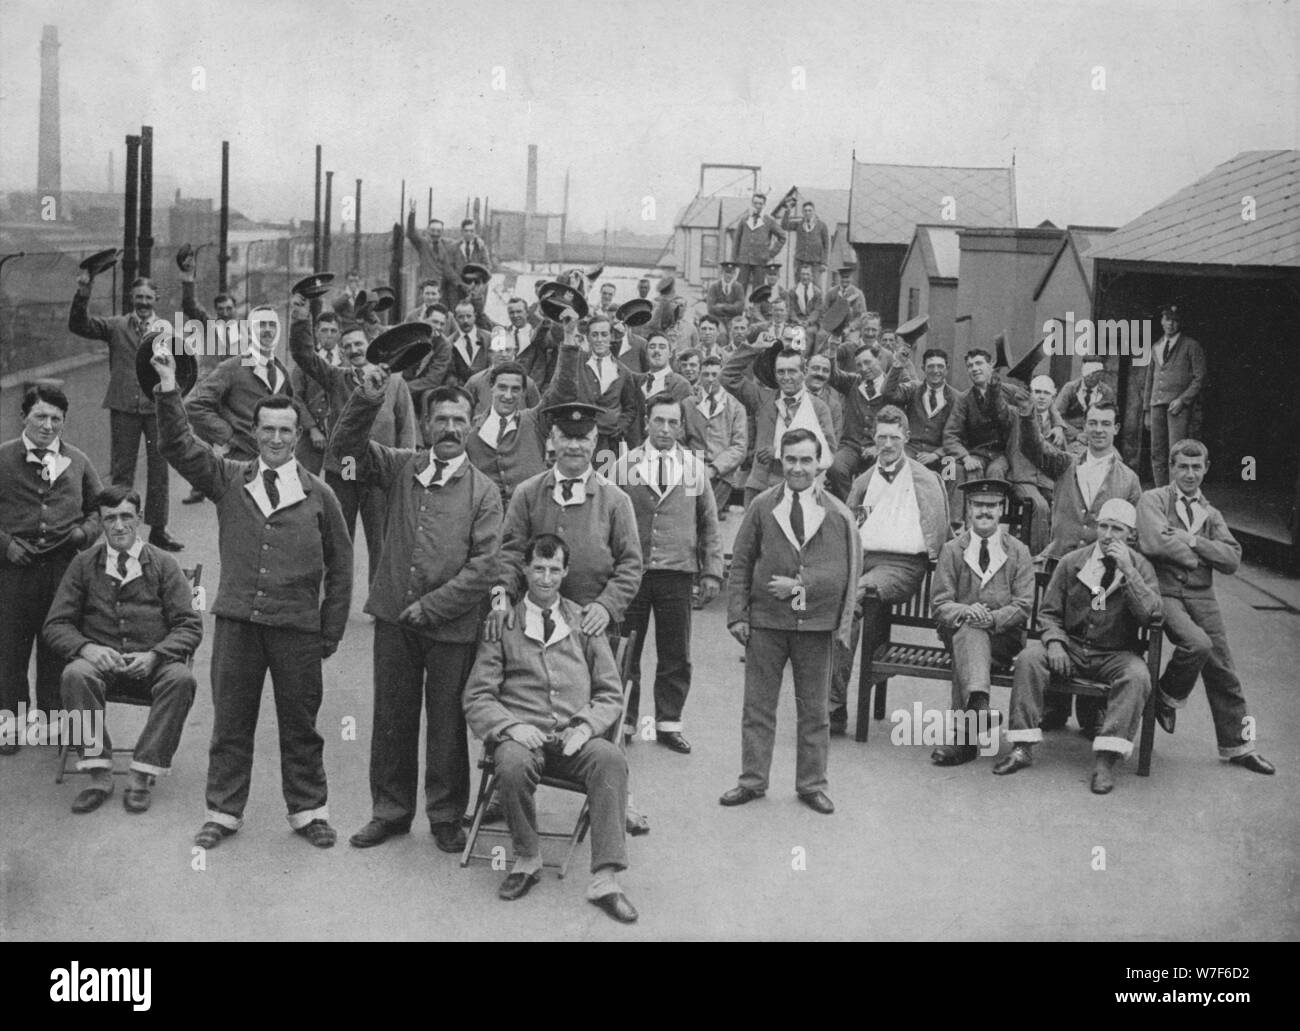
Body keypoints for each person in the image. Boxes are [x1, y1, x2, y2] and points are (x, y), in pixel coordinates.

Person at [151, 348, 352, 850]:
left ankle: (309, 811)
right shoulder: (228, 478)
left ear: (297, 434)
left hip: (298, 631)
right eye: (269, 430)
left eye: (287, 430)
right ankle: (222, 811)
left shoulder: (319, 495)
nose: (278, 439)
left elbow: (343, 568)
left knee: (301, 726)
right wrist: (167, 390)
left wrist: (329, 632)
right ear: (255, 431)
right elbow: (177, 444)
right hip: (238, 625)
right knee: (231, 724)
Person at [331, 376, 503, 852]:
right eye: (441, 419)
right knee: (392, 717)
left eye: (459, 421)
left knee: (447, 722)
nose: (450, 429)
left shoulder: (485, 492)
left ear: (471, 427)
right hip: (393, 619)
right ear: (426, 425)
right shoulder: (398, 466)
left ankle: (446, 815)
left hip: (451, 626)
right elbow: (345, 448)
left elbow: (485, 565)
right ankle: (390, 811)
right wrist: (366, 396)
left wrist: (432, 606)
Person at [463, 533, 638, 923]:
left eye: (554, 569)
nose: (545, 578)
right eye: (538, 569)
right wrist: (510, 727)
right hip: (522, 738)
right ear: (524, 570)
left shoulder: (584, 621)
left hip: (574, 740)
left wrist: (586, 727)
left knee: (610, 759)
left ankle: (606, 880)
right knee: (510, 763)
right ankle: (527, 857)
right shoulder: (502, 624)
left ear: (565, 572)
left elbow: (611, 694)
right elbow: (477, 697)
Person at [722, 428, 861, 814]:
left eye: (806, 460)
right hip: (766, 623)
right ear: (781, 461)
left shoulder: (837, 514)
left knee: (815, 710)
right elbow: (742, 562)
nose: (798, 468)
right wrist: (738, 615)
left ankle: (812, 784)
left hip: (815, 627)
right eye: (791, 459)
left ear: (820, 464)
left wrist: (797, 588)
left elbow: (837, 576)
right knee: (758, 707)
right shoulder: (763, 506)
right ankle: (752, 780)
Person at [42, 485, 200, 811]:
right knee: (75, 673)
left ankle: (141, 773)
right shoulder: (84, 564)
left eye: (126, 516)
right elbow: (55, 625)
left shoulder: (164, 564)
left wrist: (156, 655)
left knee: (181, 679)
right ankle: (99, 773)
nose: (118, 526)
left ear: (139, 519)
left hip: (152, 664)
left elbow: (189, 624)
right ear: (100, 523)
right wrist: (87, 649)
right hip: (102, 665)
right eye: (109, 518)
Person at [995, 499, 1162, 794]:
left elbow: (1152, 615)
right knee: (1030, 658)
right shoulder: (1072, 562)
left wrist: (1128, 572)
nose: (1108, 535)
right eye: (1104, 526)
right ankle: (1022, 746)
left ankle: (1105, 761)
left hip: (1115, 653)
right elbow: (1048, 613)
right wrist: (1056, 643)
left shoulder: (1141, 567)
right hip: (1071, 646)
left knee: (1137, 676)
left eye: (1118, 529)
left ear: (1131, 535)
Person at [1135, 440, 1275, 775]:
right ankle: (1167, 696)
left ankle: (1240, 746)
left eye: (1197, 467)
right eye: (1183, 466)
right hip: (1165, 592)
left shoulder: (1212, 514)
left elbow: (1232, 558)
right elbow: (1153, 540)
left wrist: (1192, 540)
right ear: (1171, 468)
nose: (1190, 474)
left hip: (1202, 596)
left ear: (1206, 469)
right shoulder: (1153, 500)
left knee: (1223, 668)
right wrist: (1200, 556)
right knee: (1197, 643)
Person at [610, 394, 723, 753]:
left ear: (681, 426)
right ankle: (625, 721)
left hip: (677, 571)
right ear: (646, 421)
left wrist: (711, 572)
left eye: (673, 422)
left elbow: (708, 522)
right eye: (659, 421)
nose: (665, 429)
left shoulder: (693, 467)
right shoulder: (623, 466)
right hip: (632, 572)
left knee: (675, 650)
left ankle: (668, 722)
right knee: (627, 648)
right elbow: (608, 520)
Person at [487, 397, 642, 645]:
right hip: (532, 625)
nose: (573, 446)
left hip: (590, 624)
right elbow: (507, 555)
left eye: (582, 439)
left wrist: (606, 606)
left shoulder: (616, 500)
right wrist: (499, 599)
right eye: (566, 437)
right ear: (552, 440)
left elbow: (631, 565)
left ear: (595, 443)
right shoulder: (527, 493)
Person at [0, 385, 102, 755]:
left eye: (55, 419)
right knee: (9, 651)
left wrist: (83, 533)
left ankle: (51, 723)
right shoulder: (3, 458)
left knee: (56, 647)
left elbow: (99, 509)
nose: (47, 426)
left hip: (63, 571)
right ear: (24, 416)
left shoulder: (77, 460)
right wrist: (6, 545)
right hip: (13, 572)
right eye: (40, 416)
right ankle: (9, 727)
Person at [834, 406, 950, 733]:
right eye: (881, 437)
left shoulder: (926, 480)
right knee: (829, 599)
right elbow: (850, 528)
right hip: (864, 561)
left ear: (906, 438)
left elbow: (940, 534)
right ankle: (833, 703)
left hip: (902, 565)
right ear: (873, 439)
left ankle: (831, 705)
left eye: (894, 437)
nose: (887, 444)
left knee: (853, 599)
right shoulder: (863, 481)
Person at [288, 305, 417, 580]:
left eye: (359, 343)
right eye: (348, 347)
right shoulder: (337, 378)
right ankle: (335, 599)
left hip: (380, 469)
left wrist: (407, 466)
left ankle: (378, 604)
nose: (355, 350)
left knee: (380, 538)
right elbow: (303, 355)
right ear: (342, 352)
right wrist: (301, 318)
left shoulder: (394, 381)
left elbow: (406, 425)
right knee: (339, 536)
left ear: (369, 345)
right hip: (344, 467)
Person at [68, 268, 181, 551]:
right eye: (138, 297)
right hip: (123, 407)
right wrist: (84, 291)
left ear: (156, 299)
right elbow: (79, 325)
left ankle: (158, 529)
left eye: (148, 297)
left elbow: (182, 368)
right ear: (132, 298)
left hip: (156, 408)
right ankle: (119, 527)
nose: (143, 302)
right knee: (122, 472)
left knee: (159, 470)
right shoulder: (116, 325)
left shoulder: (167, 330)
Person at [929, 479, 1034, 765]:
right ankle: (978, 708)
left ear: (1001, 510)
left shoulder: (1018, 551)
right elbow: (939, 604)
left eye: (991, 506)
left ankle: (965, 736)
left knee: (971, 634)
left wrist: (992, 618)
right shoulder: (952, 549)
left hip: (1004, 639)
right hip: (960, 633)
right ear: (968, 509)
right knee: (968, 632)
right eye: (978, 505)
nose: (984, 512)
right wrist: (966, 611)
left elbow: (1024, 605)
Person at [465, 341, 580, 505]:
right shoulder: (471, 431)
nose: (508, 395)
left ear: (523, 392)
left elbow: (563, 392)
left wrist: (569, 340)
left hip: (533, 511)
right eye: (502, 388)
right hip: (490, 517)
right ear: (492, 387)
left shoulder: (533, 421)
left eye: (515, 389)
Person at [723, 340, 836, 505]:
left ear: (803, 372)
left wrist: (779, 453)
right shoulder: (763, 398)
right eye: (781, 372)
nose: (786, 378)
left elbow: (828, 452)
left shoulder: (819, 407)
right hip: (759, 487)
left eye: (792, 371)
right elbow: (727, 377)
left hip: (798, 491)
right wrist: (755, 347)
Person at [186, 305, 296, 463]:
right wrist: (227, 435)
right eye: (260, 325)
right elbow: (193, 404)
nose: (267, 330)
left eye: (272, 325)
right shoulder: (232, 367)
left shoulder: (281, 372)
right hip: (242, 460)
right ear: (249, 331)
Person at [1004, 374, 1067, 556]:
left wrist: (1060, 426)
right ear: (1029, 393)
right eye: (1037, 392)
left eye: (1046, 393)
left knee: (1063, 504)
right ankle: (1037, 559)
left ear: (1053, 397)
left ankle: (1057, 554)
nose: (1040, 396)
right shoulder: (1017, 414)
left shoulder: (1057, 425)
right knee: (1040, 507)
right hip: (1023, 479)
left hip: (1046, 480)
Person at [1143, 304, 1205, 486]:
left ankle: (1176, 491)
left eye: (1175, 320)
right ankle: (1161, 491)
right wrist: (1147, 409)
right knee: (1157, 451)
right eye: (1167, 319)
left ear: (1180, 323)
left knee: (1176, 452)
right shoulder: (1156, 346)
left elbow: (1200, 378)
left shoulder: (1191, 346)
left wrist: (1183, 400)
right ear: (1162, 321)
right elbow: (1150, 379)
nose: (1171, 324)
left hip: (1178, 408)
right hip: (1157, 406)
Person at [684, 355, 748, 522]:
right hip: (692, 472)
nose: (711, 379)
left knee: (709, 519)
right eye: (706, 374)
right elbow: (679, 440)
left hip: (722, 475)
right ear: (700, 376)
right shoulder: (688, 404)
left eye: (715, 374)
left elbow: (739, 447)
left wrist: (714, 469)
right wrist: (694, 466)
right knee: (690, 519)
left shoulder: (736, 407)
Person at [824, 343, 891, 499]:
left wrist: (878, 447)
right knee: (835, 468)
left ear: (879, 359)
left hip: (880, 447)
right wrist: (832, 350)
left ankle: (871, 515)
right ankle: (850, 510)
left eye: (868, 362)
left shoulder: (892, 388)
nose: (863, 368)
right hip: (851, 446)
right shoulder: (853, 382)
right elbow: (833, 376)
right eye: (859, 364)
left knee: (881, 477)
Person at [942, 348, 1014, 492]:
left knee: (995, 473)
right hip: (977, 453)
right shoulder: (964, 399)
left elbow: (1035, 402)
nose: (974, 369)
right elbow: (950, 435)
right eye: (970, 366)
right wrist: (966, 457)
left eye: (979, 363)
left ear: (991, 365)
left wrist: (1057, 424)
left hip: (1003, 455)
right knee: (970, 471)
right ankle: (970, 513)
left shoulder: (1009, 391)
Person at [882, 346, 959, 476]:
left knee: (952, 467)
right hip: (911, 448)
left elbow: (958, 435)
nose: (935, 371)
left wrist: (936, 454)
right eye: (930, 366)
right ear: (923, 369)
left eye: (940, 366)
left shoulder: (956, 397)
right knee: (896, 462)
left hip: (940, 451)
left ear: (947, 369)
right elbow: (888, 393)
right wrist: (898, 364)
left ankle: (946, 497)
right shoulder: (914, 388)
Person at [574, 314, 643, 457]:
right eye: (595, 335)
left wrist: (619, 427)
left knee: (607, 478)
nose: (599, 340)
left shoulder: (623, 372)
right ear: (587, 337)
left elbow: (630, 408)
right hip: (580, 438)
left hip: (609, 443)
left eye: (604, 334)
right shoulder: (577, 365)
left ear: (611, 337)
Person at [464, 332, 542, 416]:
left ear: (515, 351)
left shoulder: (528, 383)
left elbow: (537, 414)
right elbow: (463, 411)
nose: (504, 355)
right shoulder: (475, 382)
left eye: (508, 350)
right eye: (499, 350)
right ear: (490, 352)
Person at [1054, 361, 1114, 457]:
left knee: (1116, 459)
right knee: (1079, 458)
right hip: (1070, 437)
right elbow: (1056, 416)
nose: (1090, 376)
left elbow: (1109, 418)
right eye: (1087, 371)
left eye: (1094, 373)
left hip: (1096, 436)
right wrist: (1076, 434)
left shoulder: (1106, 392)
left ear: (1101, 374)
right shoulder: (1070, 388)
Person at [730, 193, 787, 289]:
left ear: (764, 205)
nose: (757, 206)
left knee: (758, 290)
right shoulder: (744, 219)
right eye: (755, 203)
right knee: (740, 288)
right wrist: (735, 258)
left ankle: (756, 305)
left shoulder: (768, 221)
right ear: (752, 204)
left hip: (760, 261)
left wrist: (770, 254)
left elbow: (782, 236)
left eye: (760, 204)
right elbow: (737, 239)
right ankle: (740, 304)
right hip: (744, 260)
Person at [406, 202, 452, 299]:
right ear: (428, 230)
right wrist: (412, 213)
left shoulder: (447, 244)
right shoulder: (423, 244)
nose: (435, 233)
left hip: (441, 291)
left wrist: (477, 239)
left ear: (442, 232)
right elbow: (411, 234)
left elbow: (464, 242)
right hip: (425, 289)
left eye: (438, 231)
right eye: (433, 230)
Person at [446, 218, 492, 306]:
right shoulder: (453, 247)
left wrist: (476, 282)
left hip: (476, 289)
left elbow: (487, 266)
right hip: (457, 289)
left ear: (475, 232)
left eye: (472, 231)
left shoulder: (481, 247)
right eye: (466, 231)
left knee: (476, 314)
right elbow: (449, 270)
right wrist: (462, 284)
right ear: (462, 231)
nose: (469, 233)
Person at [636, 333, 693, 403]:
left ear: (670, 354)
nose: (656, 350)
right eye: (652, 347)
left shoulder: (680, 384)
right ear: (646, 354)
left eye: (662, 347)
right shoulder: (637, 381)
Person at [446, 300, 492, 387]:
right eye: (461, 317)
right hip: (461, 390)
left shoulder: (489, 338)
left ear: (475, 316)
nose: (465, 321)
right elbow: (450, 373)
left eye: (469, 316)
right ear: (455, 318)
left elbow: (493, 365)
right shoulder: (449, 342)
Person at [784, 200, 830, 286]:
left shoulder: (822, 225)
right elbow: (784, 225)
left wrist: (824, 263)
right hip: (800, 262)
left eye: (810, 210)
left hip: (815, 263)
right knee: (799, 287)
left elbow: (826, 245)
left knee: (816, 288)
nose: (807, 213)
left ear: (814, 211)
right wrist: (788, 210)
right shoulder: (799, 224)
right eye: (805, 211)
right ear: (802, 212)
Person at [804, 352, 844, 441]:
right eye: (815, 368)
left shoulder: (834, 406)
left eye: (825, 371)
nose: (820, 374)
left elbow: (835, 440)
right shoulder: (792, 394)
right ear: (805, 370)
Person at [706, 262, 746, 338]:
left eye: (731, 273)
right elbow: (711, 308)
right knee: (722, 334)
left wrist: (722, 306)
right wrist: (732, 307)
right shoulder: (714, 287)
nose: (728, 275)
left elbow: (740, 308)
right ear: (722, 272)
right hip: (718, 318)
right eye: (726, 272)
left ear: (734, 274)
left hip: (733, 318)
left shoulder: (738, 287)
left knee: (735, 333)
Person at [789, 264, 824, 329]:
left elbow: (817, 310)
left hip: (811, 322)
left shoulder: (817, 292)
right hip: (796, 321)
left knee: (809, 332)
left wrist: (808, 322)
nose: (805, 277)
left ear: (811, 276)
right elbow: (791, 309)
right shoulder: (793, 291)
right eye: (803, 274)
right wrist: (797, 321)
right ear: (799, 276)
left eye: (807, 274)